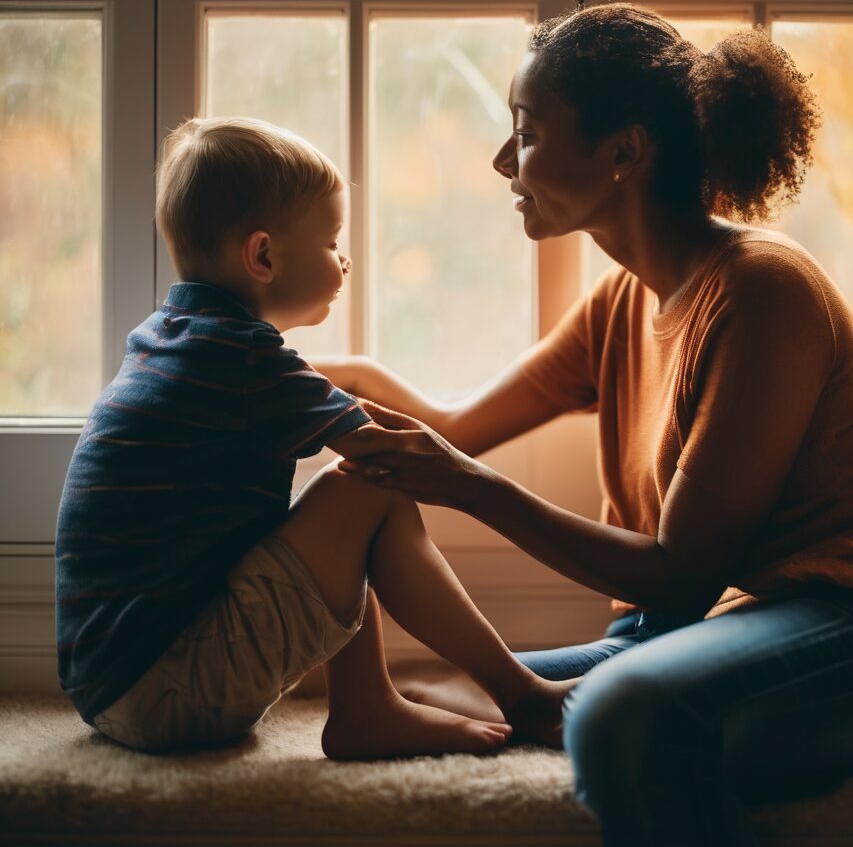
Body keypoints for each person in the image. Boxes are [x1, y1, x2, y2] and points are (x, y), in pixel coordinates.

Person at [316, 4, 853, 846]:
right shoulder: (621, 301)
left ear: (625, 151)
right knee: (446, 695)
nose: (504, 159)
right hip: (687, 629)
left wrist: (464, 487)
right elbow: (450, 429)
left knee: (622, 715)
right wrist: (273, 377)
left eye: (528, 131)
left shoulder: (763, 291)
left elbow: (677, 572)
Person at [54, 116, 575, 758]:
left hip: (107, 686)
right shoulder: (248, 360)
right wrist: (473, 477)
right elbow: (388, 452)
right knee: (366, 490)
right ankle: (514, 695)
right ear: (264, 256)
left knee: (335, 501)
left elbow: (320, 403)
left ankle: (370, 706)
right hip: (173, 688)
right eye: (332, 241)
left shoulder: (174, 338)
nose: (345, 259)